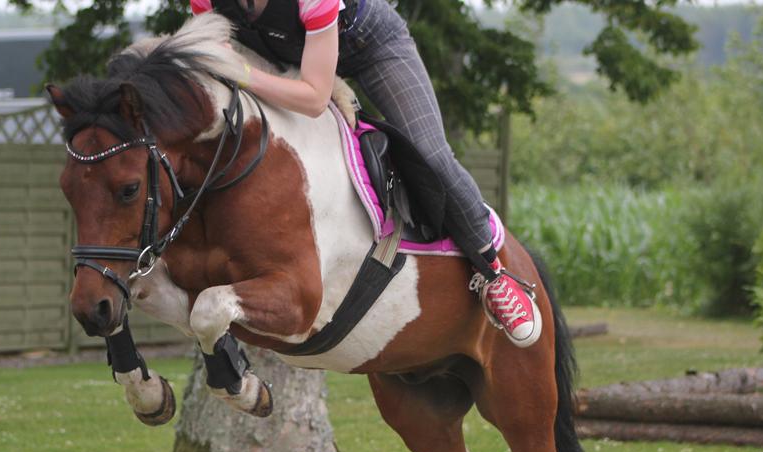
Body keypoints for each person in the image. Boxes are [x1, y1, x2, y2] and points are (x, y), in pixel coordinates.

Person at [189, 0, 541, 347]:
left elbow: (313, 98)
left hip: (370, 46)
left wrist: (246, 76)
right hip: (290, 59)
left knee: (431, 153)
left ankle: (495, 273)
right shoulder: (205, 2)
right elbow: (221, 61)